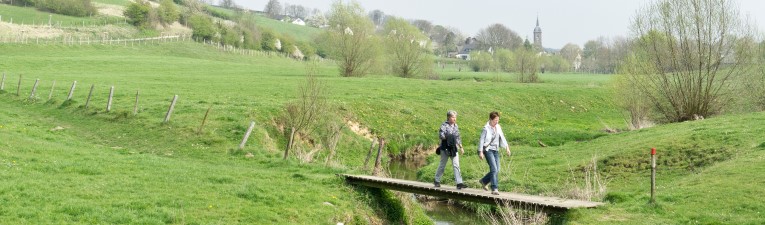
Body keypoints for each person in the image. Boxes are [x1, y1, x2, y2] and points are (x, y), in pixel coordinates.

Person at [478, 111, 511, 195]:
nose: (497, 122)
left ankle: (483, 181)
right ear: (490, 119)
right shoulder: (486, 128)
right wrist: (480, 152)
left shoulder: (498, 127)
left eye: (497, 120)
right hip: (488, 150)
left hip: (496, 150)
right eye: (495, 120)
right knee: (494, 169)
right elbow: (481, 140)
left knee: (497, 169)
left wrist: (507, 148)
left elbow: (502, 137)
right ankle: (494, 188)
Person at [434, 110, 467, 189]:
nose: (454, 119)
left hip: (453, 148)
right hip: (445, 147)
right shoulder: (444, 125)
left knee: (456, 165)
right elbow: (441, 135)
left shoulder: (456, 126)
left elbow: (458, 137)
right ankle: (436, 180)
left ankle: (459, 183)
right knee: (442, 165)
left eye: (455, 117)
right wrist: (449, 137)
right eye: (453, 117)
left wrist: (461, 147)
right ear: (448, 117)